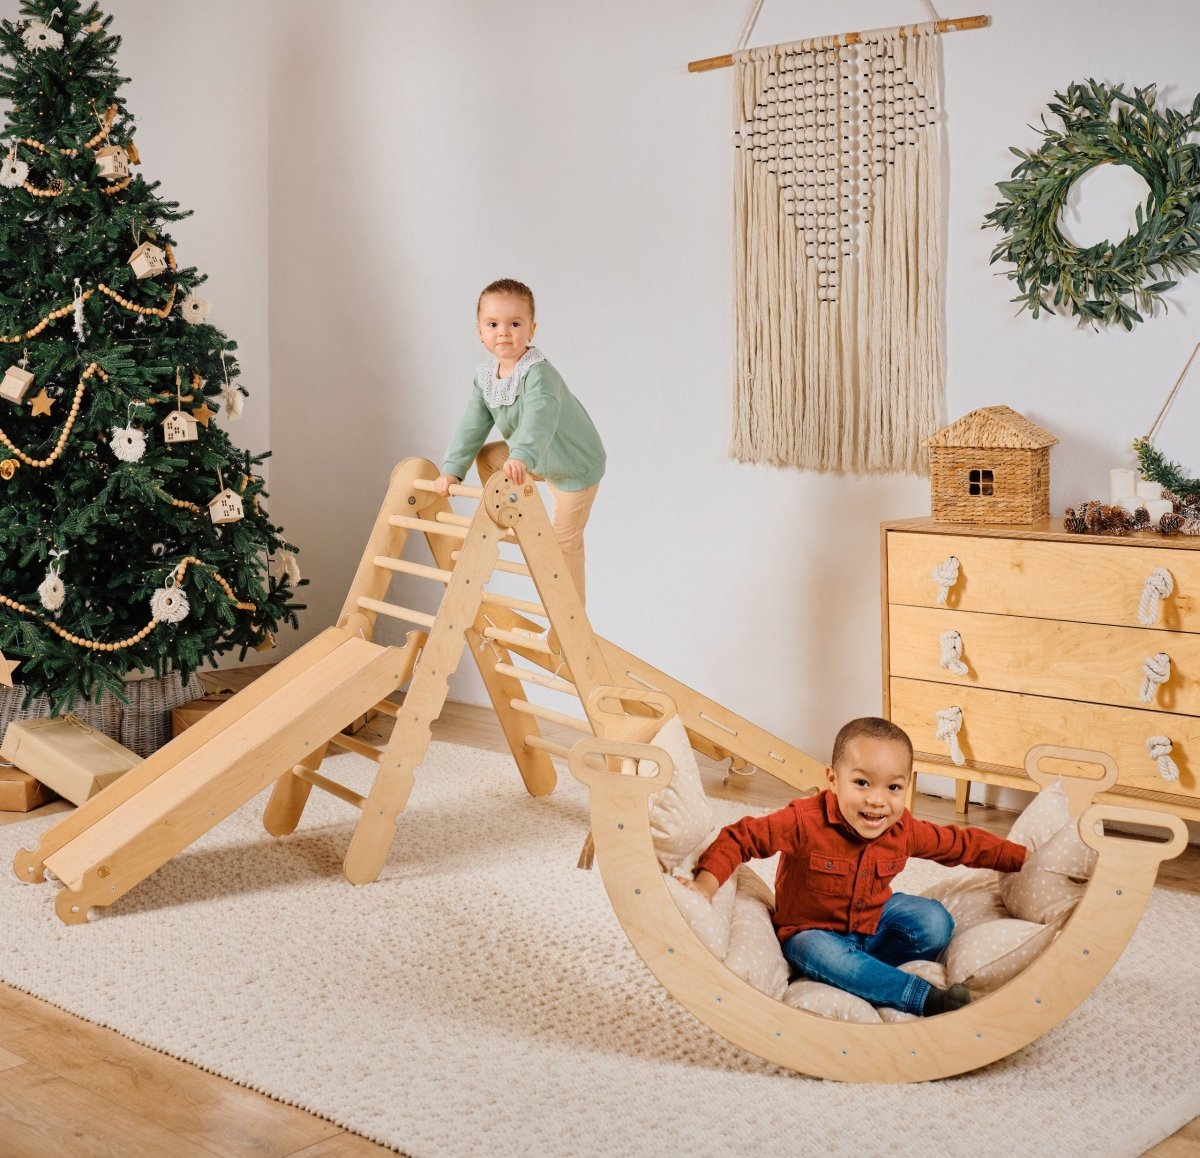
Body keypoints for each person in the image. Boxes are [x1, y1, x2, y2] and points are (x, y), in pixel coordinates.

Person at [679, 717, 1027, 1017]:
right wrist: (706, 885)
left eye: (893, 787)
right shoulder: (803, 820)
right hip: (810, 932)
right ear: (833, 779)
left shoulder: (902, 829)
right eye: (861, 783)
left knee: (934, 921)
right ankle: (919, 997)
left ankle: (861, 973)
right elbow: (740, 838)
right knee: (819, 951)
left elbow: (959, 844)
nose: (877, 800)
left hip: (871, 923)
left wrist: (1022, 858)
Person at [433, 279, 605, 607]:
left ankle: (570, 621)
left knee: (562, 548)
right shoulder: (486, 377)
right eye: (493, 324)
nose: (504, 332)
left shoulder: (538, 374)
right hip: (535, 460)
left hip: (572, 466)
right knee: (487, 457)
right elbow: (472, 424)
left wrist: (522, 454)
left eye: (515, 324)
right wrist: (452, 470)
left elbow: (539, 419)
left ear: (532, 329)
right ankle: (509, 513)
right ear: (479, 331)